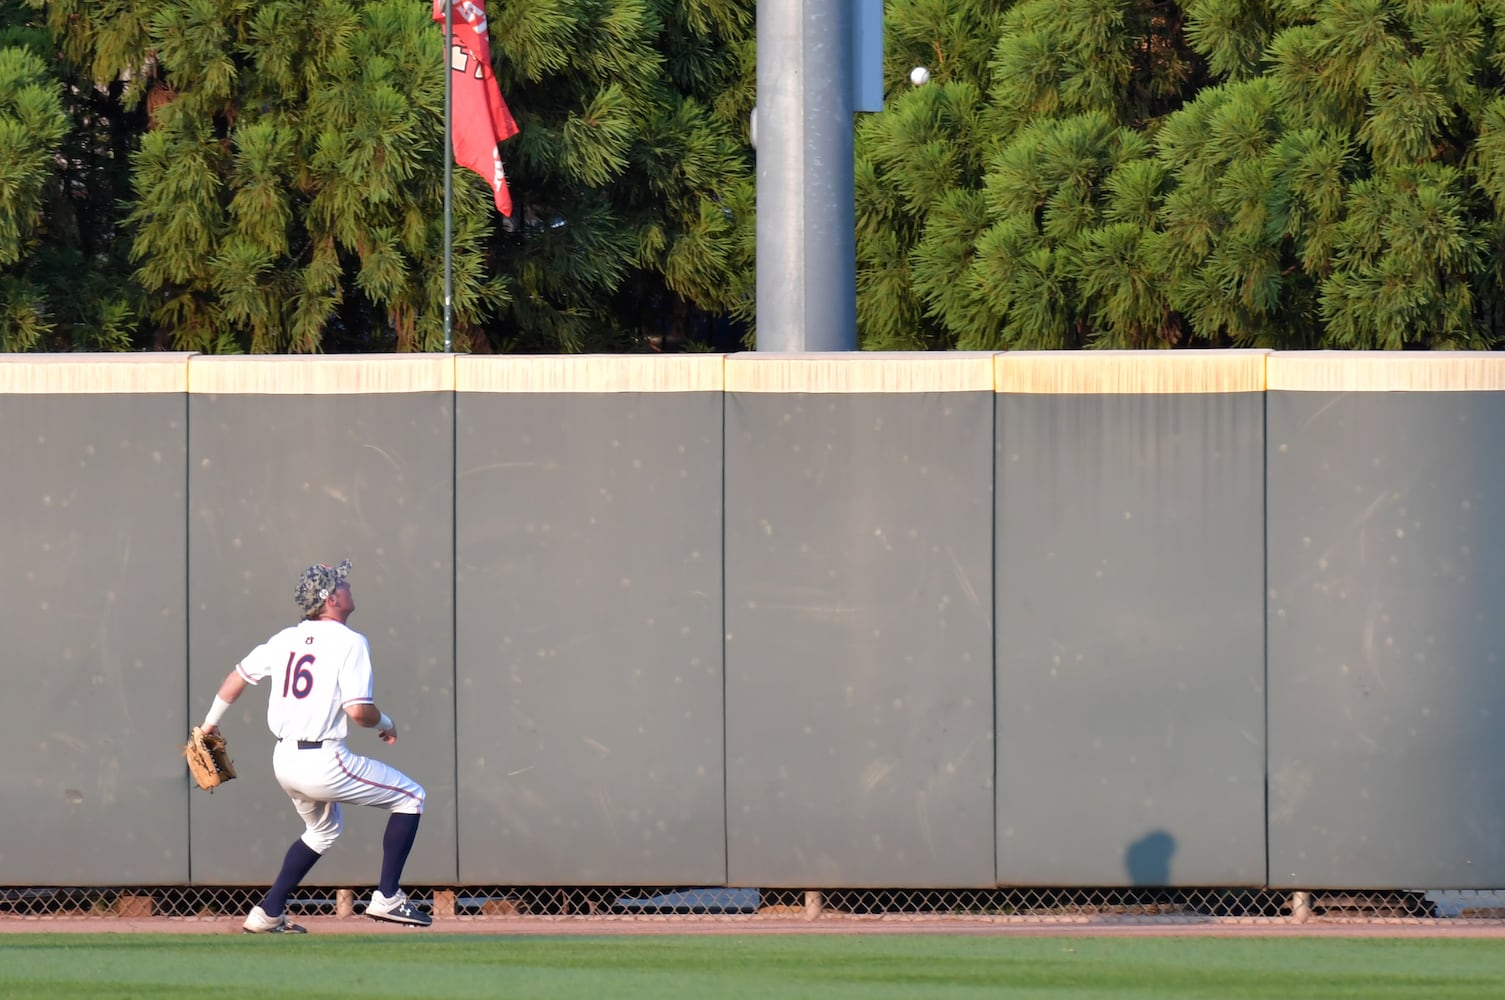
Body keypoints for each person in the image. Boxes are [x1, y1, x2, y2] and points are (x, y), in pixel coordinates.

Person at [199, 559, 431, 933]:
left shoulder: (284, 638)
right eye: (341, 583)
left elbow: (237, 678)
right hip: (323, 760)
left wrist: (208, 724)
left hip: (284, 761)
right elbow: (358, 711)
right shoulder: (351, 641)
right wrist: (386, 723)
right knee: (411, 797)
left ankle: (267, 913)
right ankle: (388, 898)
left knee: (322, 832)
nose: (347, 586)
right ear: (330, 598)